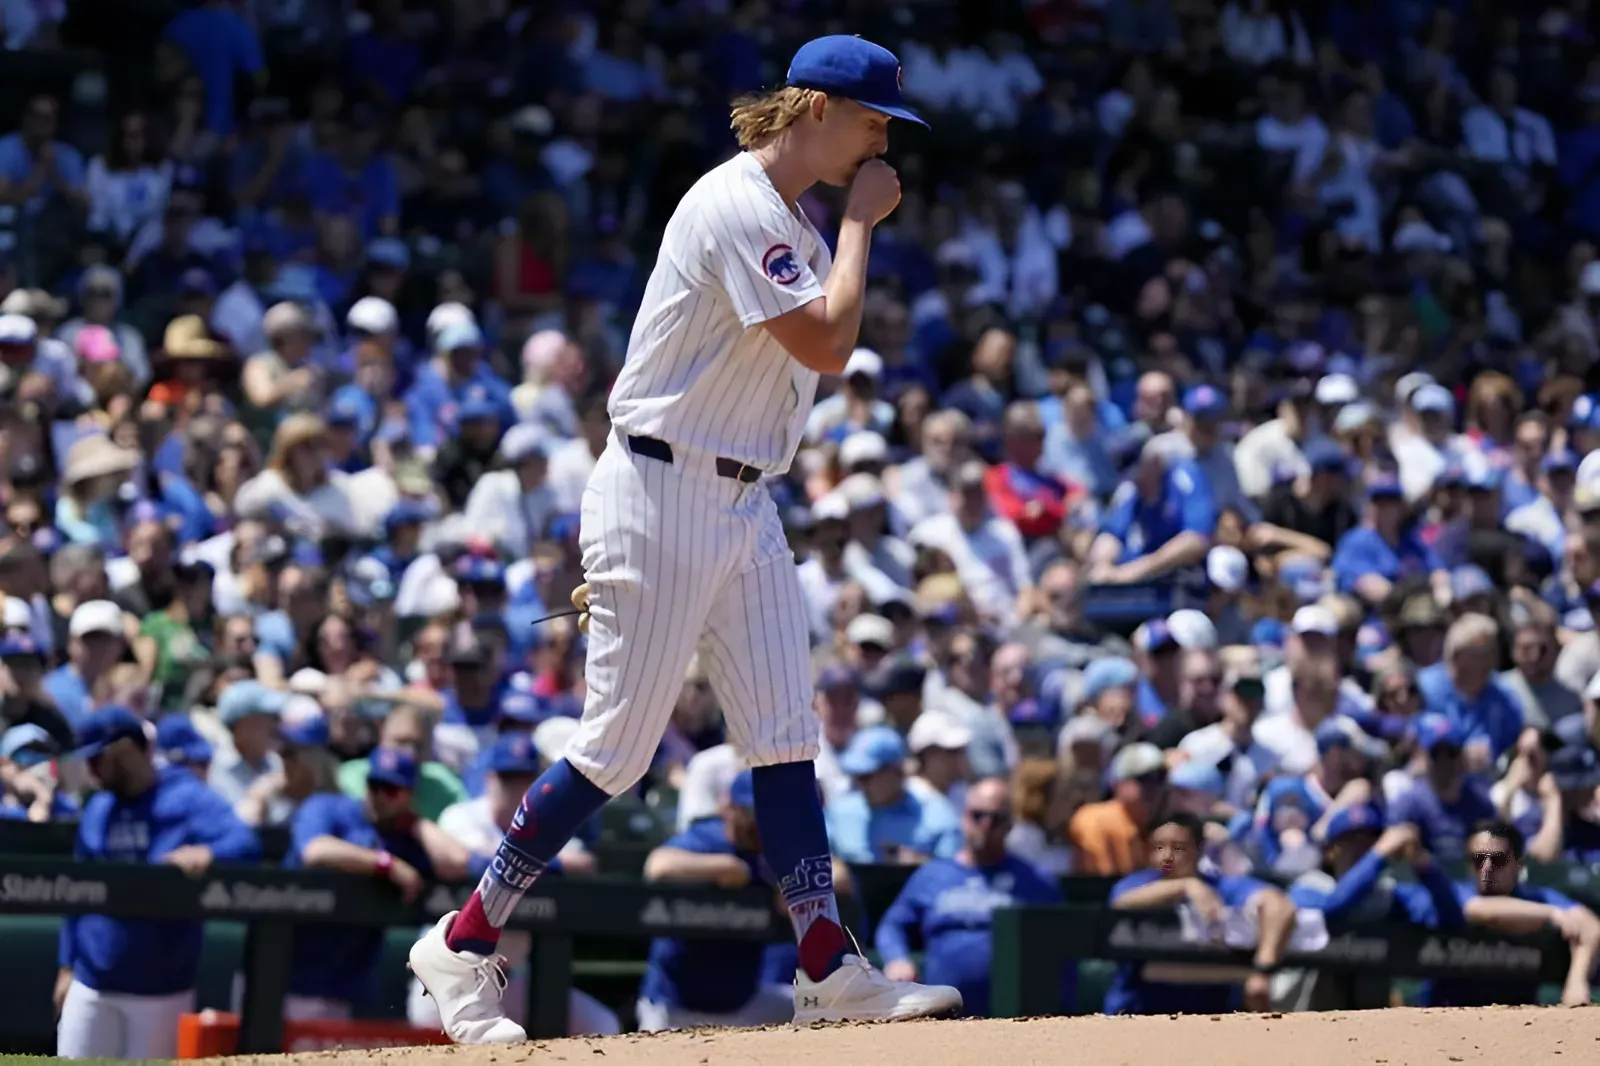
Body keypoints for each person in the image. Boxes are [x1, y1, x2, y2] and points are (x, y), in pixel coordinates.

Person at [405, 35, 962, 1044]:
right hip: (660, 488)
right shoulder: (742, 204)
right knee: (615, 752)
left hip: (742, 499)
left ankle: (827, 963)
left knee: (786, 735)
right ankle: (463, 936)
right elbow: (830, 344)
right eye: (873, 118)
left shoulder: (782, 213)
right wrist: (859, 227)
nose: (885, 139)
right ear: (814, 109)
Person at [56, 707, 261, 1060]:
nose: (90, 772)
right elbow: (77, 892)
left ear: (124, 750)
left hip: (160, 989)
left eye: (97, 760)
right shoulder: (98, 809)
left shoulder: (185, 796)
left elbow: (245, 844)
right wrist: (66, 966)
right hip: (92, 982)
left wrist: (208, 853)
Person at [284, 745, 470, 1020]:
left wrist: (417, 824)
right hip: (286, 974)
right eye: (375, 785)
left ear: (409, 794)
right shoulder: (328, 806)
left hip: (348, 985)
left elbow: (456, 863)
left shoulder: (403, 836)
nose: (380, 796)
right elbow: (315, 850)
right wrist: (386, 864)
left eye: (391, 790)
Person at [636, 770, 818, 1030]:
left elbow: (838, 874)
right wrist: (724, 867)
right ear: (730, 808)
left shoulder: (774, 849)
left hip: (744, 1001)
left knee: (823, 1012)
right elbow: (658, 866)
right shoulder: (709, 837)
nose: (760, 822)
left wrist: (794, 889)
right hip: (674, 1005)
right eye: (753, 813)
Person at [875, 777, 1066, 1017]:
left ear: (1010, 824)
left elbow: (1062, 949)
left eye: (996, 818)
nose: (985, 825)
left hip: (1014, 1016)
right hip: (942, 1013)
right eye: (977, 816)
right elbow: (893, 925)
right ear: (964, 818)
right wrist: (897, 959)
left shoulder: (1036, 882)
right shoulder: (932, 875)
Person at [1106, 812, 1299, 1015]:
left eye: (1178, 848)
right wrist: (1185, 886)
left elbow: (1280, 907)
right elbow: (1121, 902)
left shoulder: (1221, 886)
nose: (1167, 856)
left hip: (1214, 1013)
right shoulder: (1137, 884)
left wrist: (1263, 971)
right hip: (1138, 1010)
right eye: (1158, 847)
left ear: (1198, 849)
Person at [1432, 821, 1600, 1008]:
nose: (1486, 869)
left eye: (1498, 860)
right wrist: (1552, 913)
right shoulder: (1455, 891)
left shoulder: (1535, 897)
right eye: (1478, 860)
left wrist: (1576, 982)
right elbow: (1478, 910)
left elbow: (1590, 925)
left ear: (1519, 865)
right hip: (1447, 1014)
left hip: (1518, 1020)